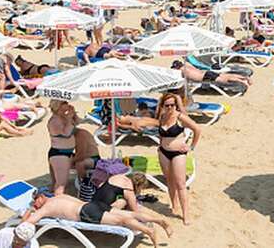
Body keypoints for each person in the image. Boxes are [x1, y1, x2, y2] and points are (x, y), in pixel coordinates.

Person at [23, 192, 171, 248]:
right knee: (128, 215)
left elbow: (28, 222)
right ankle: (158, 220)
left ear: (41, 198)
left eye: (34, 202)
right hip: (92, 205)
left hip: (87, 212)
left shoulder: (46, 207)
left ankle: (148, 230)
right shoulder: (59, 196)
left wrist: (29, 212)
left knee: (122, 221)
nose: (34, 205)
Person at [156, 93, 201, 224]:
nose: (170, 107)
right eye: (167, 105)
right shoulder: (162, 116)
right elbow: (161, 134)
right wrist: (160, 145)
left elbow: (197, 129)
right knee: (169, 180)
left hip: (178, 153)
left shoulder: (180, 117)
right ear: (163, 105)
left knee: (181, 184)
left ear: (176, 105)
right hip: (163, 152)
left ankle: (186, 214)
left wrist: (191, 147)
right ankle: (174, 205)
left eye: (172, 105)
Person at [47, 100, 78, 195]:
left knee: (57, 183)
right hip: (59, 154)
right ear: (58, 106)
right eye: (65, 103)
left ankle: (54, 200)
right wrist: (69, 118)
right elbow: (66, 133)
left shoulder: (62, 117)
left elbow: (77, 123)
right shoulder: (54, 121)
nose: (68, 104)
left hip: (63, 153)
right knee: (61, 185)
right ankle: (57, 205)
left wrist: (73, 114)